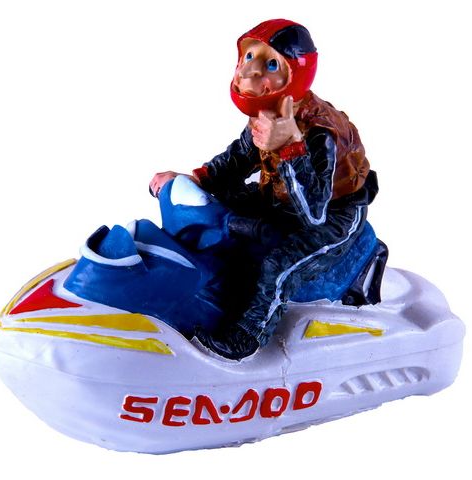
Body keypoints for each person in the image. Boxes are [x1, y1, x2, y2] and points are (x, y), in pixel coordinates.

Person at [150, 19, 378, 360]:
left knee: (278, 266)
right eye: (249, 58)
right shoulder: (266, 114)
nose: (251, 72)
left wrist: (290, 147)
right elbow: (236, 160)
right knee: (217, 209)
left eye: (271, 64)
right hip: (280, 198)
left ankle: (248, 338)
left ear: (295, 73)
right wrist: (194, 180)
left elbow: (313, 213)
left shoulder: (321, 133)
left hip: (335, 215)